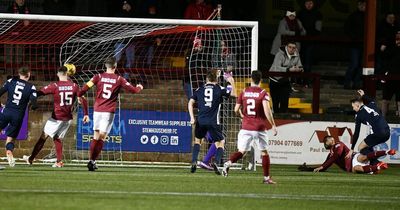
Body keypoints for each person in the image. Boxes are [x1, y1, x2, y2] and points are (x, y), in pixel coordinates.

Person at [78, 57, 143, 171]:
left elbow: (84, 89)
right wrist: (139, 87)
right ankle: (92, 161)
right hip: (108, 112)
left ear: (105, 66)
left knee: (96, 136)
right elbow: (133, 90)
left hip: (97, 110)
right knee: (102, 137)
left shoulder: (97, 77)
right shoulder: (119, 79)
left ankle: (92, 161)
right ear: (115, 66)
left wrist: (79, 95)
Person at [24, 66, 90, 167]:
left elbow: (39, 93)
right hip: (67, 118)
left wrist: (29, 95)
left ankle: (31, 158)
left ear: (58, 74)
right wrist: (86, 114)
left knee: (43, 137)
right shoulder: (74, 86)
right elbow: (83, 99)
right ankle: (59, 161)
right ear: (67, 74)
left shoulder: (55, 86)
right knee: (57, 138)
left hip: (56, 118)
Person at [222, 70, 278, 184]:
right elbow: (267, 110)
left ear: (251, 79)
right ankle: (266, 178)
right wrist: (273, 124)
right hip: (259, 128)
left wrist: (242, 116)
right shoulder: (263, 93)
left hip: (245, 127)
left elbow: (236, 110)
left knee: (242, 151)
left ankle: (228, 163)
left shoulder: (244, 91)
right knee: (264, 152)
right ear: (260, 80)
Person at [188, 69, 235, 174]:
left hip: (200, 120)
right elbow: (232, 93)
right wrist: (230, 80)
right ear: (217, 79)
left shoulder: (199, 89)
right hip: (213, 121)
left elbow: (190, 102)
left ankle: (194, 160)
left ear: (207, 78)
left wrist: (192, 117)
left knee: (198, 141)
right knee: (220, 142)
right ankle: (217, 162)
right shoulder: (219, 88)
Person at [0, 66, 38, 167]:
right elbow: (35, 104)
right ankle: (9, 151)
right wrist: (32, 107)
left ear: (19, 74)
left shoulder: (11, 81)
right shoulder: (31, 87)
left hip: (6, 111)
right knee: (10, 139)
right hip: (18, 115)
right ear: (28, 75)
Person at [311, 136, 395, 174]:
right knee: (357, 168)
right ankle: (379, 166)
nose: (326, 143)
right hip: (351, 167)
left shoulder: (338, 144)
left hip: (353, 158)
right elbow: (326, 164)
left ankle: (387, 152)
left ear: (331, 140)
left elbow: (337, 154)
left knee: (362, 157)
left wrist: (322, 167)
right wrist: (317, 168)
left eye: (327, 140)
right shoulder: (330, 155)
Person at [346, 90, 390, 162]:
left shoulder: (358, 115)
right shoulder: (372, 104)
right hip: (387, 132)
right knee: (369, 146)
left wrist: (352, 148)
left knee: (361, 147)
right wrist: (363, 95)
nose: (353, 109)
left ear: (358, 105)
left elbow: (357, 133)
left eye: (353, 106)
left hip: (378, 133)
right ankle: (374, 164)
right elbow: (371, 100)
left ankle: (377, 163)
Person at [269, 41, 303, 113]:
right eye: (290, 47)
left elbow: (300, 65)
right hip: (274, 79)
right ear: (286, 47)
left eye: (293, 48)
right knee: (275, 102)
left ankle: (283, 118)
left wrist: (300, 69)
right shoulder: (279, 54)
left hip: (285, 80)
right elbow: (276, 68)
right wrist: (289, 69)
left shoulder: (296, 54)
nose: (291, 49)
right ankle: (275, 118)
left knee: (284, 102)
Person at [297, 0, 322, 86]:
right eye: (307, 3)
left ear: (314, 4)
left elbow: (318, 29)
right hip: (300, 42)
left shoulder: (317, 14)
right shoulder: (300, 14)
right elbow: (297, 27)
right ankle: (299, 81)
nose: (308, 5)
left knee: (307, 63)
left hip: (311, 42)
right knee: (299, 62)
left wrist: (312, 36)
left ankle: (306, 81)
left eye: (310, 3)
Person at [343, 0, 365, 89]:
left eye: (364, 4)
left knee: (361, 65)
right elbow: (347, 28)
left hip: (364, 45)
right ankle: (347, 82)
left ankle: (356, 82)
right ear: (358, 5)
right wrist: (354, 37)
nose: (363, 6)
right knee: (354, 64)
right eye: (361, 4)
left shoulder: (369, 16)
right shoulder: (353, 16)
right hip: (355, 44)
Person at [381, 32, 400, 117]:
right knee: (386, 99)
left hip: (399, 77)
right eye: (397, 33)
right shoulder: (390, 46)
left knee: (399, 100)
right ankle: (382, 117)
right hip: (390, 75)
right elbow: (383, 53)